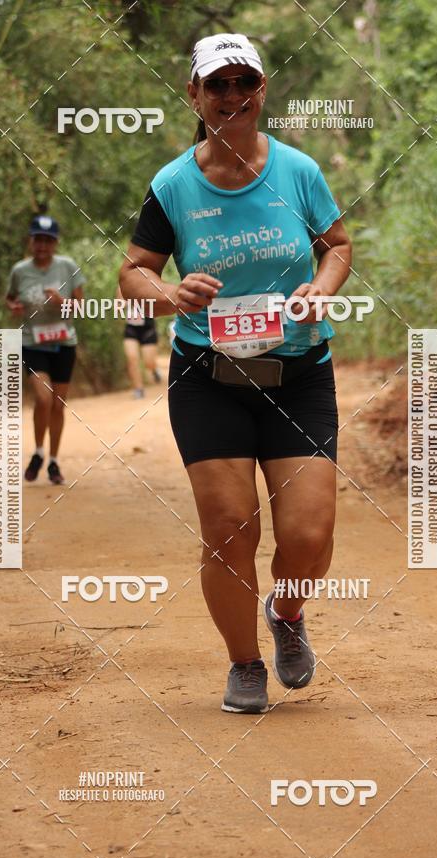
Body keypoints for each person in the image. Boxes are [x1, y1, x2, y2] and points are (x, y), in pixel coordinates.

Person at [120, 33, 351, 713]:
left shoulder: (299, 172)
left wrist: (322, 286)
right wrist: (169, 294)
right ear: (193, 95)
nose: (230, 97)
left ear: (261, 91)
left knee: (308, 535)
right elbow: (133, 271)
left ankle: (287, 614)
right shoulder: (172, 185)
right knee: (229, 531)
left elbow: (335, 245)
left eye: (242, 82)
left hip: (300, 373)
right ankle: (245, 663)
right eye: (215, 85)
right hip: (207, 377)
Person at [6, 214, 85, 485]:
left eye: (48, 240)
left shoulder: (68, 266)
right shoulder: (20, 270)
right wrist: (14, 307)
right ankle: (38, 452)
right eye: (38, 239)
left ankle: (52, 460)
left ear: (55, 243)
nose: (42, 245)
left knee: (58, 406)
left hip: (63, 343)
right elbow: (10, 298)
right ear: (31, 241)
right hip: (32, 342)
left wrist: (62, 301)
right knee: (44, 399)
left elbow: (80, 306)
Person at [123, 306, 161, 399]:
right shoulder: (121, 290)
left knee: (149, 363)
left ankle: (154, 370)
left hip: (148, 329)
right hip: (131, 329)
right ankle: (138, 389)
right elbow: (119, 304)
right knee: (132, 359)